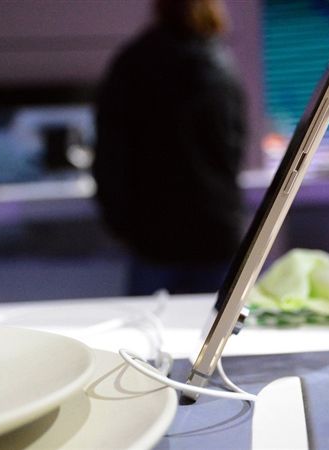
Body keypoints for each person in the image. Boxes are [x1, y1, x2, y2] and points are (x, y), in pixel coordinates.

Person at [93, 0, 247, 295]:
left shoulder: (134, 62)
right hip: (215, 228)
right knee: (215, 322)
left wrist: (119, 222)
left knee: (149, 322)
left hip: (154, 234)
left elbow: (110, 154)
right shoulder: (220, 63)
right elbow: (234, 147)